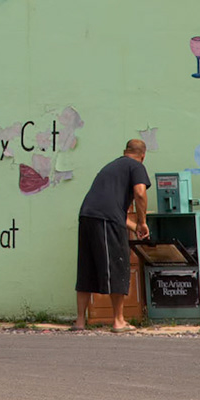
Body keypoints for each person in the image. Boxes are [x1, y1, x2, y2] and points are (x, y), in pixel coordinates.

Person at [74, 138, 151, 331]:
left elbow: (111, 208)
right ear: (143, 155)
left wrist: (135, 227)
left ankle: (80, 321)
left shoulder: (110, 168)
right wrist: (143, 222)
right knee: (117, 265)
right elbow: (140, 193)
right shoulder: (136, 166)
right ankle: (118, 320)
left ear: (125, 151)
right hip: (106, 220)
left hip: (86, 216)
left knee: (87, 267)